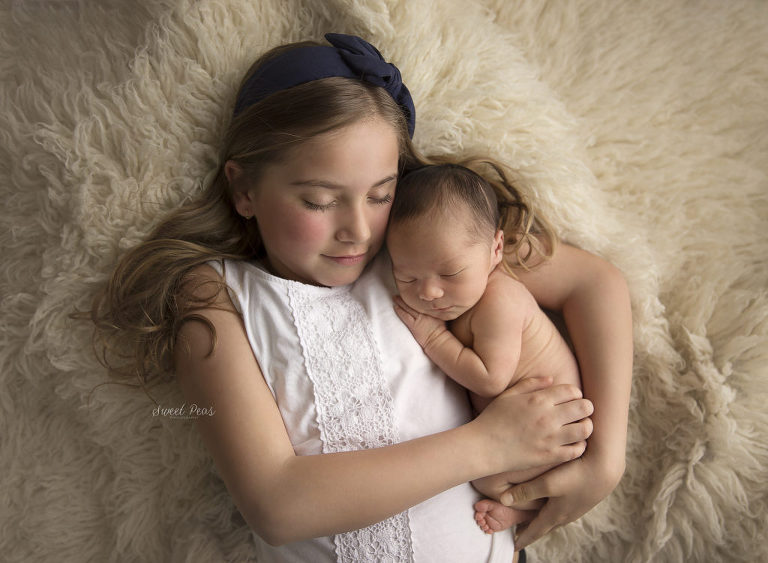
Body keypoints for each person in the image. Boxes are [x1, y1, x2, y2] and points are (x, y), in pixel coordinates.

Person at [87, 33, 632, 561]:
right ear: (244, 189)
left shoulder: (420, 251)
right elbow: (277, 505)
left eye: (380, 194)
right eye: (321, 200)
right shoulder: (216, 295)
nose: (358, 231)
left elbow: (596, 284)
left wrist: (605, 460)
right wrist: (489, 445)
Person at [386, 162, 585, 536]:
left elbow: (491, 379)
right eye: (407, 276)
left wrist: (433, 338)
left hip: (558, 431)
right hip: (527, 422)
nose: (428, 292)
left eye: (449, 274)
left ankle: (524, 512)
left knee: (489, 482)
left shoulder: (500, 300)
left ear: (495, 248)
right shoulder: (462, 297)